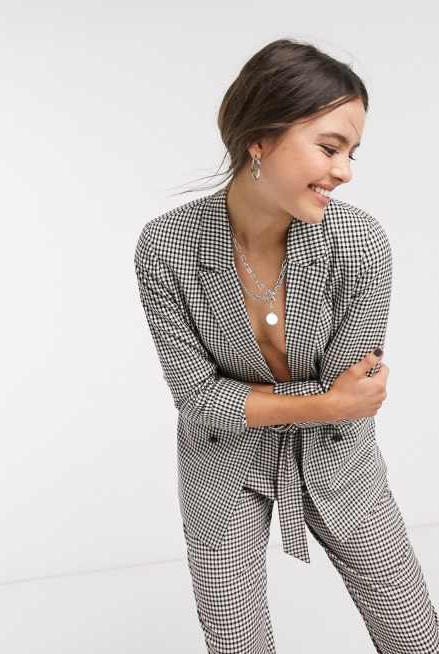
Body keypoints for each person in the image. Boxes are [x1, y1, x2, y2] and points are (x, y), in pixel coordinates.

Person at [133, 38, 439, 653]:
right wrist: (324, 402)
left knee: (412, 632)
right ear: (260, 139)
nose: (345, 171)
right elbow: (196, 399)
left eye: (351, 153)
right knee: (233, 637)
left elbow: (356, 393)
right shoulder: (165, 248)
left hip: (340, 457)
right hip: (222, 464)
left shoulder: (358, 244)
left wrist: (287, 403)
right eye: (329, 148)